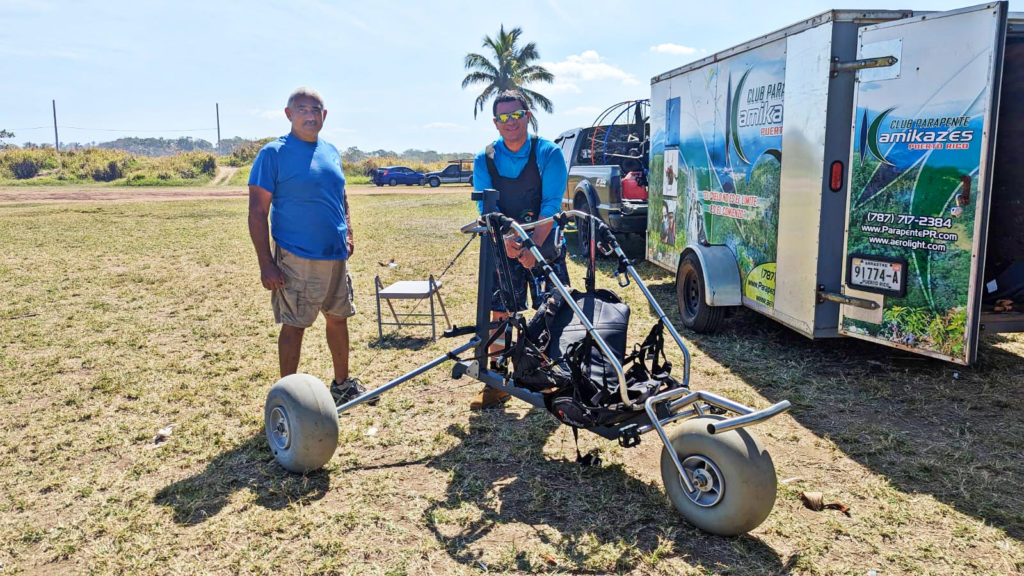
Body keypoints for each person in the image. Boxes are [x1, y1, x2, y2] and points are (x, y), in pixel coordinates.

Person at [247, 86, 374, 405]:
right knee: (294, 325)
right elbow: (257, 211)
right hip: (296, 256)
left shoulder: (331, 151)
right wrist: (266, 263)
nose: (309, 114)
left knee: (338, 317)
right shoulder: (273, 153)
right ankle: (286, 395)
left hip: (335, 255)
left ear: (325, 115)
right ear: (289, 114)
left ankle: (343, 385)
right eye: (302, 109)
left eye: (316, 109)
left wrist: (349, 232)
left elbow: (341, 195)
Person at [471, 89, 569, 410]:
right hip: (503, 243)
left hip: (544, 241)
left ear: (527, 116)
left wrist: (532, 246)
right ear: (496, 123)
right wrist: (508, 245)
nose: (510, 122)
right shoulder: (485, 158)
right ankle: (496, 382)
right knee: (500, 313)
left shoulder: (549, 153)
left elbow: (552, 205)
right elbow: (486, 211)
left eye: (516, 115)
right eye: (503, 117)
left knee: (554, 310)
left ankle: (554, 379)